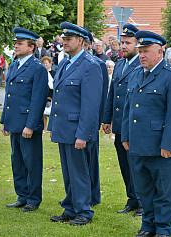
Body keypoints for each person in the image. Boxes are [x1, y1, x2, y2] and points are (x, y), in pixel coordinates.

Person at [121, 31, 171, 237]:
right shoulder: (135, 74)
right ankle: (147, 226)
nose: (141, 55)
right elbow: (128, 108)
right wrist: (125, 135)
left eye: (146, 51)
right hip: (138, 145)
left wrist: (169, 144)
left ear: (160, 52)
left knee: (165, 192)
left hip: (162, 147)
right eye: (140, 51)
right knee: (145, 191)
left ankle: (163, 229)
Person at [48, 22, 102, 226]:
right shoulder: (64, 63)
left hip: (77, 129)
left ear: (81, 41)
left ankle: (83, 211)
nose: (64, 43)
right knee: (68, 171)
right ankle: (70, 207)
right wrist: (52, 126)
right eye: (63, 39)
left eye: (68, 39)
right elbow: (59, 97)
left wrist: (83, 134)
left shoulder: (90, 65)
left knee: (79, 172)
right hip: (64, 127)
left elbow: (90, 105)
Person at [1, 27, 48, 212]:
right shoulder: (14, 65)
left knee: (32, 162)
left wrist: (30, 125)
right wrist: (5, 119)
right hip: (14, 122)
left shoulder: (37, 69)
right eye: (16, 43)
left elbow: (38, 100)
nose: (16, 46)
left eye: (20, 44)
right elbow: (9, 96)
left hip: (28, 124)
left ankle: (34, 199)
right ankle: (22, 195)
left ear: (31, 47)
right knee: (17, 161)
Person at [103, 23, 143, 216]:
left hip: (133, 125)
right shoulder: (119, 64)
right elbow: (113, 93)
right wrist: (107, 118)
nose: (123, 46)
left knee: (136, 164)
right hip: (119, 124)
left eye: (128, 43)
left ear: (137, 45)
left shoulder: (141, 65)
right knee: (124, 164)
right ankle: (132, 199)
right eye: (122, 42)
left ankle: (143, 201)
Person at [82, 27, 109, 207]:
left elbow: (102, 95)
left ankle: (93, 195)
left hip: (92, 120)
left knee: (91, 159)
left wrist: (99, 120)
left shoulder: (97, 64)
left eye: (86, 43)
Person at [41, 56, 55, 133]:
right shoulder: (41, 73)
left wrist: (51, 96)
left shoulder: (54, 73)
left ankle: (52, 129)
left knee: (52, 114)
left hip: (52, 96)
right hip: (44, 95)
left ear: (50, 64)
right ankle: (45, 128)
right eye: (44, 63)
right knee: (44, 114)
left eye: (46, 63)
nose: (45, 65)